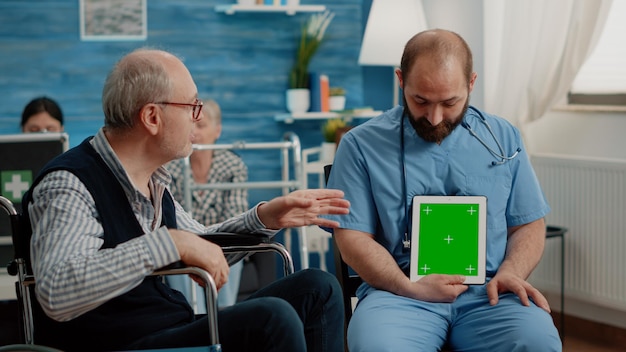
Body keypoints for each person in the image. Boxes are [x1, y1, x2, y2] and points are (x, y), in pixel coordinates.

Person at [23, 48, 349, 352]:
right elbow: (58, 291)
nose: (198, 117)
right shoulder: (69, 184)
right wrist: (170, 243)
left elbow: (201, 247)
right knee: (272, 317)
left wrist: (266, 219)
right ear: (152, 117)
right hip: (118, 342)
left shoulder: (154, 181)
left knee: (317, 288)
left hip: (168, 327)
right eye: (192, 105)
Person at [325, 29, 562, 351]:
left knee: (536, 342)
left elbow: (528, 223)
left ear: (471, 84)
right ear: (400, 80)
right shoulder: (360, 145)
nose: (435, 118)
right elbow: (352, 237)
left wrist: (511, 272)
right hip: (399, 293)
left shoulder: (503, 137)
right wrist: (408, 286)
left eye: (450, 102)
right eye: (420, 101)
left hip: (490, 293)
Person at [166, 98, 248, 309]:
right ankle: (194, 323)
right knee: (176, 255)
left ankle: (225, 322)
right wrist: (192, 247)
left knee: (233, 254)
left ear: (217, 131)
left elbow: (235, 216)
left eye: (201, 125)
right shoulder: (170, 168)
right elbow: (169, 220)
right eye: (191, 125)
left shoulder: (233, 165)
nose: (195, 132)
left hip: (222, 243)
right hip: (185, 247)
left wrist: (208, 248)